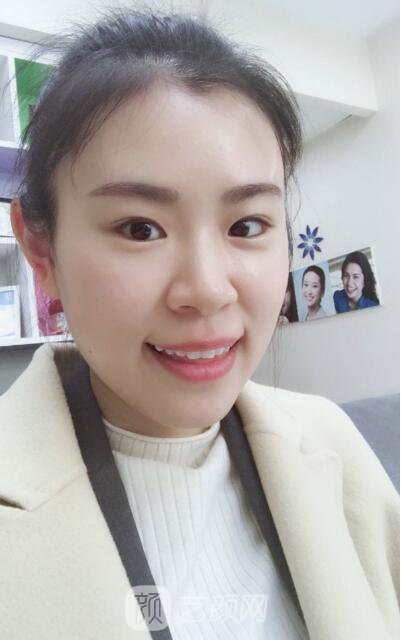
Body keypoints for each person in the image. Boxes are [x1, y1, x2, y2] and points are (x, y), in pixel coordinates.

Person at [0, 9, 398, 640]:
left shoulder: (334, 444)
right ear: (41, 250)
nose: (208, 290)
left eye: (247, 225)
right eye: (140, 229)